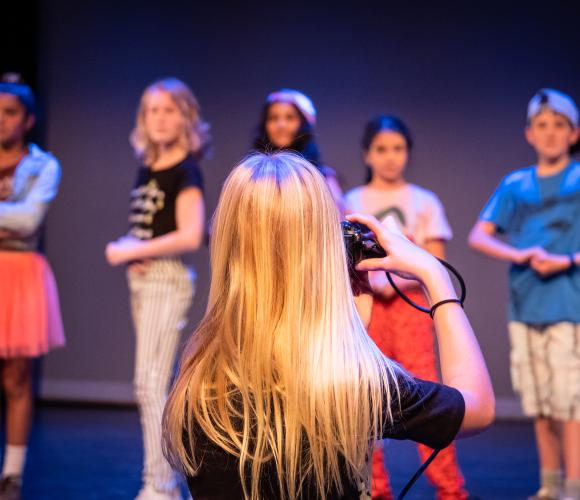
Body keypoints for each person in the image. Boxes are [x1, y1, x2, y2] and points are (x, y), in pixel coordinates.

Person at [163, 151, 495, 500]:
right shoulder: (353, 384)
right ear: (325, 250)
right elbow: (478, 408)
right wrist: (434, 274)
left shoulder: (196, 381)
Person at [345, 115, 469, 499]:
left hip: (411, 308)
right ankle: (374, 488)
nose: (390, 157)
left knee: (430, 394)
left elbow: (435, 262)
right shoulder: (353, 201)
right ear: (367, 153)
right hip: (368, 307)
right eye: (381, 149)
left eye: (398, 148)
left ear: (407, 153)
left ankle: (449, 488)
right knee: (364, 395)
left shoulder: (424, 200)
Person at [469, 88, 580, 500]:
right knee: (539, 403)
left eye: (559, 125)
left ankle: (574, 487)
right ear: (529, 133)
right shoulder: (516, 184)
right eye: (541, 125)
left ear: (573, 133)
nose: (550, 133)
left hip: (570, 306)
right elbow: (479, 235)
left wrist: (567, 260)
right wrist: (520, 252)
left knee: (570, 403)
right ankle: (549, 484)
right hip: (526, 304)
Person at [105, 78, 208, 500]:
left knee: (150, 383)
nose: (160, 118)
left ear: (185, 116)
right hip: (145, 280)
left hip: (167, 280)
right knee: (148, 382)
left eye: (169, 109)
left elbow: (190, 234)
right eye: (152, 110)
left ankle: (160, 486)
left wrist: (133, 247)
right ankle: (162, 483)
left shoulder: (186, 168)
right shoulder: (149, 165)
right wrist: (136, 251)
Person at [0, 74, 65, 500]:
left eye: (9, 113)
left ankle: (12, 473)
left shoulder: (44, 165)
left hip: (19, 273)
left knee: (16, 377)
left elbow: (28, 221)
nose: (1, 121)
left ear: (28, 120)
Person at [252, 88, 344, 213]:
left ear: (303, 124)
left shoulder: (324, 179)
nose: (281, 125)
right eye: (273, 118)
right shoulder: (250, 174)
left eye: (289, 118)